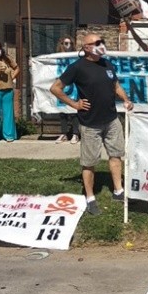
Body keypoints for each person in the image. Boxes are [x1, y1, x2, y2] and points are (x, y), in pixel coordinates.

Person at [50, 33, 134, 215]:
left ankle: (118, 190)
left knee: (116, 155)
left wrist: (126, 99)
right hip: (90, 123)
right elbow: (55, 88)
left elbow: (116, 86)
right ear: (86, 47)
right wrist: (74, 104)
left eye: (101, 41)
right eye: (96, 43)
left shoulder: (107, 64)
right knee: (89, 162)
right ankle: (90, 197)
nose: (101, 45)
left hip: (112, 120)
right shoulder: (77, 67)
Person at [55, 36, 80, 144]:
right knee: (62, 112)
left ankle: (75, 134)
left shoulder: (76, 57)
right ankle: (64, 133)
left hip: (73, 88)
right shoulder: (55, 57)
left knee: (74, 111)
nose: (68, 46)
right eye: (66, 43)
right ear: (62, 44)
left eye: (70, 43)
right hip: (61, 87)